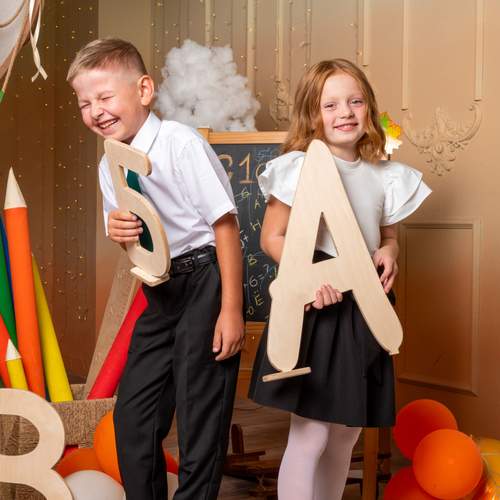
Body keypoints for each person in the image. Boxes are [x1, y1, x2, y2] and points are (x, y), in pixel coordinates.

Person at [67, 38, 244, 500]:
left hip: (205, 279)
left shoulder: (180, 144)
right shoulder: (109, 163)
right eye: (84, 103)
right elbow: (132, 235)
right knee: (133, 417)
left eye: (105, 97)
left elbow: (225, 227)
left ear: (144, 90)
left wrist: (230, 310)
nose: (95, 111)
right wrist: (118, 230)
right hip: (160, 289)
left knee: (199, 412)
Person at [248, 59, 431, 499]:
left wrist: (390, 252)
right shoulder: (299, 168)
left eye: (355, 102)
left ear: (369, 109)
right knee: (311, 433)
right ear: (312, 114)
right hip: (318, 308)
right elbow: (272, 237)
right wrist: (309, 280)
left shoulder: (383, 173)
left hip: (364, 309)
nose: (345, 112)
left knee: (346, 434)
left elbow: (388, 236)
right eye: (330, 105)